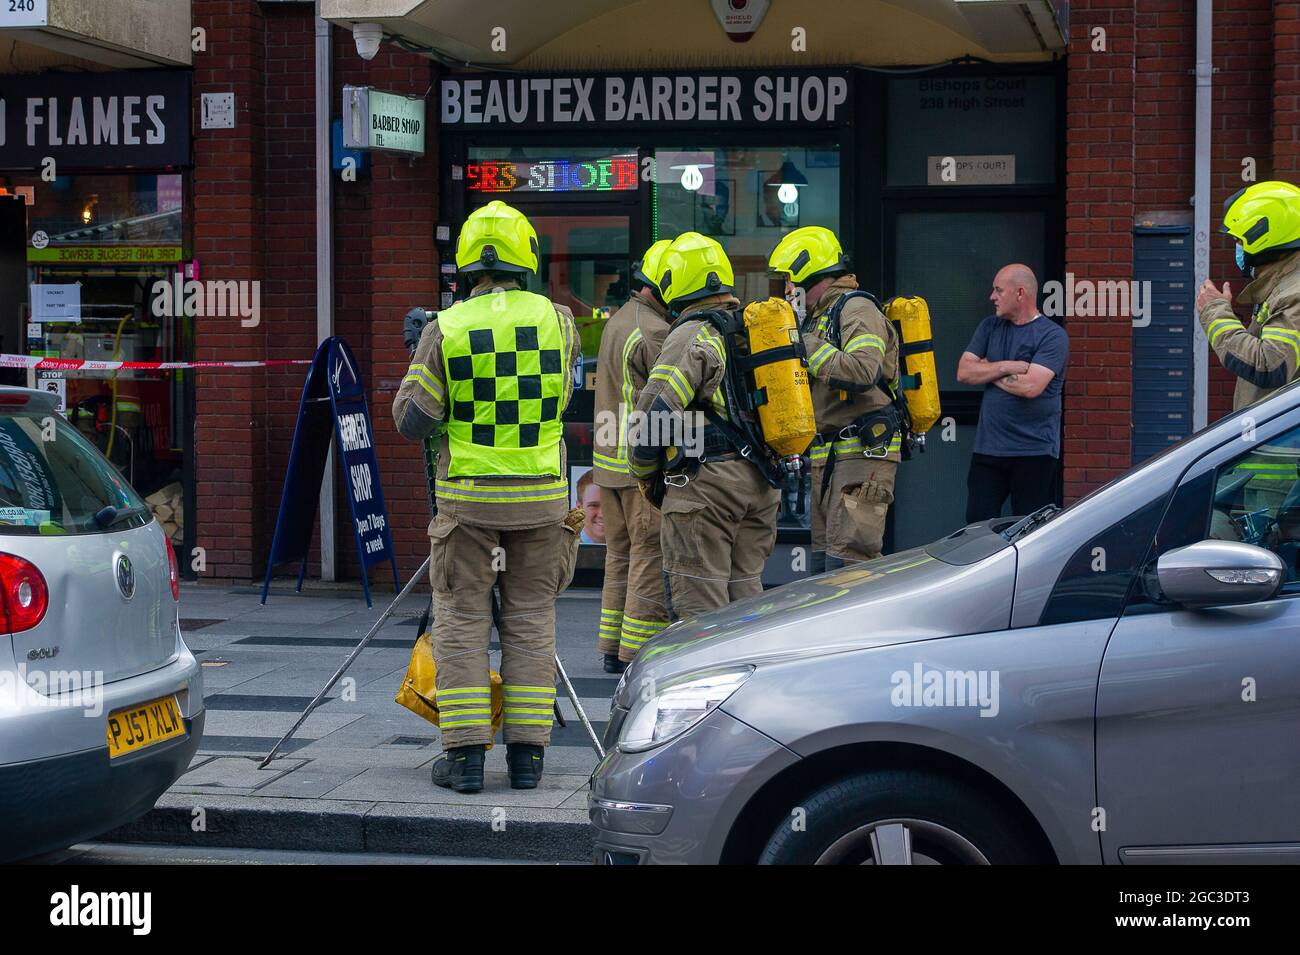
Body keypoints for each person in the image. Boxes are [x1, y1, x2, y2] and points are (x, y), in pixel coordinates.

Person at [392, 200, 581, 795]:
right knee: (530, 623)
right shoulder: (562, 322)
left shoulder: (443, 328)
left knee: (464, 624)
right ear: (527, 258)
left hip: (468, 507)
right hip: (543, 504)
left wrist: (420, 349)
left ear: (466, 265)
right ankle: (528, 760)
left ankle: (466, 758)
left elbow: (411, 420)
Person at [628, 232, 780, 618]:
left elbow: (655, 413)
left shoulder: (691, 333)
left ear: (672, 284)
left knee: (701, 612)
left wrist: (644, 473)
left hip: (707, 489)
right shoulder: (753, 328)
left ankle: (708, 679)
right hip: (761, 483)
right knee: (746, 601)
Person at [768, 226, 900, 570]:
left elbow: (863, 371)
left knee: (849, 568)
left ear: (809, 274)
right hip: (830, 460)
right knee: (822, 570)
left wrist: (803, 342)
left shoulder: (857, 309)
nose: (786, 290)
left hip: (862, 455)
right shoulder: (819, 318)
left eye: (789, 281)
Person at [592, 239, 673, 672]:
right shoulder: (654, 331)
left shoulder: (619, 319)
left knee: (619, 555)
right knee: (649, 554)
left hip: (608, 465)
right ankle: (636, 650)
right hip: (639, 467)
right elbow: (671, 397)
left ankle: (610, 644)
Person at [957, 264, 1068, 523]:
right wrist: (1007, 366)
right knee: (977, 527)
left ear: (1020, 293)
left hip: (1034, 453)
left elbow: (1030, 387)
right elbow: (963, 372)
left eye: (998, 290)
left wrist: (987, 368)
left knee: (1030, 531)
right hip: (988, 450)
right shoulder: (989, 327)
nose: (991, 297)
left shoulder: (1053, 336)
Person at [1197, 180, 1300, 412]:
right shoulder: (1282, 285)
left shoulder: (1294, 293)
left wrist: (1215, 314)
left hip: (1282, 445)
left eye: (1239, 241)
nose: (1237, 248)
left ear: (1264, 237)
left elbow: (1270, 365)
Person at [575, 468, 604, 544]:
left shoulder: (634, 548)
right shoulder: (564, 550)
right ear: (579, 508)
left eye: (608, 505)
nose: (602, 514)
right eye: (594, 505)